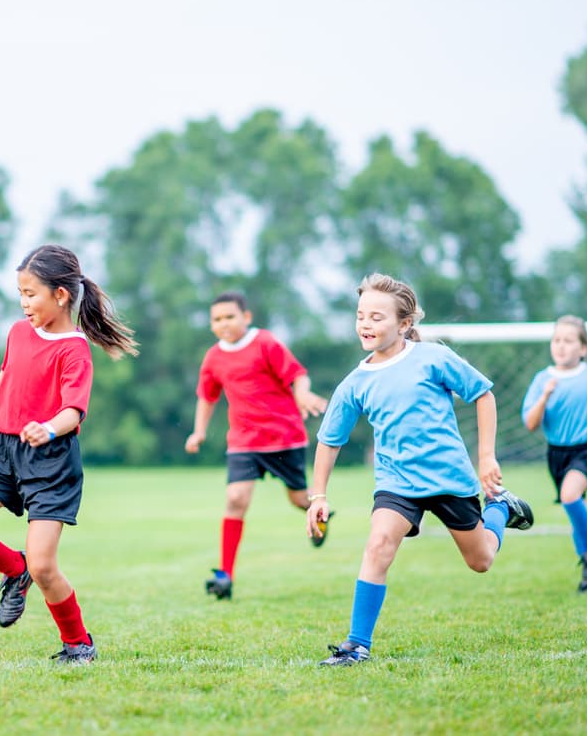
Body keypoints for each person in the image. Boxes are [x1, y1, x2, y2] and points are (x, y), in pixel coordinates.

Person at [306, 273, 533, 667]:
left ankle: (500, 509)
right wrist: (318, 496)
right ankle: (357, 645)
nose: (365, 324)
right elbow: (329, 440)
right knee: (378, 545)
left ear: (404, 323)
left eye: (377, 317)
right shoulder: (356, 383)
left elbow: (483, 394)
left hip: (450, 480)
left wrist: (486, 457)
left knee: (481, 562)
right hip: (397, 484)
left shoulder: (433, 357)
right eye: (361, 316)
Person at [0, 244, 137, 666]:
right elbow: (7, 373)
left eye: (31, 294)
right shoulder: (18, 331)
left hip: (50, 462)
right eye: (21, 294)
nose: (24, 303)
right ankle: (13, 569)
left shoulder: (75, 348)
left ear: (60, 295)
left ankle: (78, 644)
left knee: (46, 567)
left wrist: (46, 428)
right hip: (2, 453)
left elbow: (73, 411)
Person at [184, 291, 329, 601]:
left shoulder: (265, 343)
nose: (223, 323)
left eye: (229, 317)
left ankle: (318, 514)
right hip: (244, 441)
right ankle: (225, 575)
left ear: (246, 317)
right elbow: (207, 396)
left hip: (284, 437)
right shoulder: (213, 357)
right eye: (217, 319)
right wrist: (198, 432)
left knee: (299, 498)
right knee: (236, 498)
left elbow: (297, 375)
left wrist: (302, 394)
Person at [522, 315, 587, 592]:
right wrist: (544, 397)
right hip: (556, 454)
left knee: (570, 495)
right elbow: (531, 423)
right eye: (557, 340)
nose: (561, 346)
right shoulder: (542, 379)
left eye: (569, 341)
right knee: (573, 504)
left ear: (583, 348)